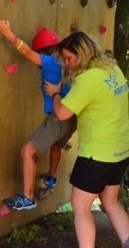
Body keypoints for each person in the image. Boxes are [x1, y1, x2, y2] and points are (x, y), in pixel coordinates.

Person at [44, 31, 129, 247]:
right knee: (110, 201)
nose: (68, 64)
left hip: (96, 155)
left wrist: (55, 93)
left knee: (80, 207)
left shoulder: (87, 80)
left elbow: (63, 113)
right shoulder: (111, 68)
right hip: (120, 151)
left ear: (81, 54)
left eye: (70, 59)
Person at [0, 19, 76, 211]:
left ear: (43, 51)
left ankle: (27, 197)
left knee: (27, 152)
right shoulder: (68, 64)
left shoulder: (48, 62)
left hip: (56, 119)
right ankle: (51, 178)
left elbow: (26, 52)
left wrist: (7, 32)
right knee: (57, 145)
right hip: (71, 119)